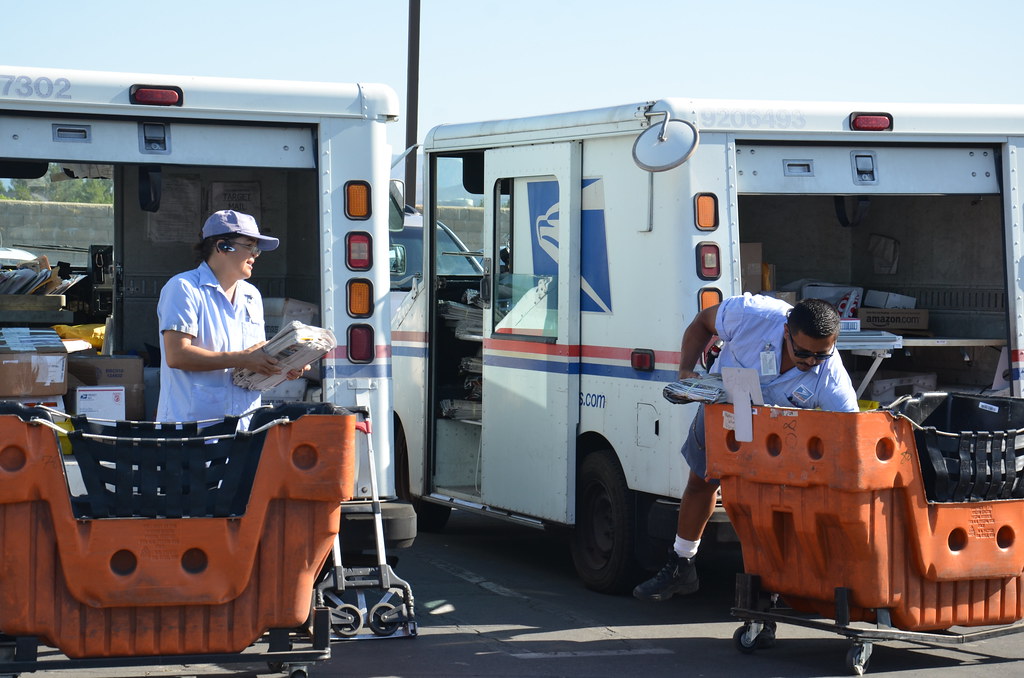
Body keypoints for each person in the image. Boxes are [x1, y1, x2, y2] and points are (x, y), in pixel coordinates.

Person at [633, 293, 858, 602]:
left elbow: (847, 431)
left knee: (764, 501)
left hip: (777, 430)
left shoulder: (831, 375)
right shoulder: (752, 315)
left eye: (821, 355)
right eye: (803, 352)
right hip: (727, 406)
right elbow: (702, 323)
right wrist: (685, 370)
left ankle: (775, 581)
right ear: (786, 332)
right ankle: (681, 566)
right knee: (701, 482)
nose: (810, 362)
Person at [156, 210, 301, 429]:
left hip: (245, 428)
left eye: (257, 249)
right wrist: (243, 359)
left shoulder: (252, 296)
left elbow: (253, 360)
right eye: (250, 246)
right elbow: (177, 356)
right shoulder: (184, 288)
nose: (256, 255)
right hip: (191, 430)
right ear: (223, 246)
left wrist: (283, 366)